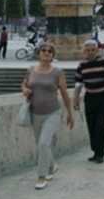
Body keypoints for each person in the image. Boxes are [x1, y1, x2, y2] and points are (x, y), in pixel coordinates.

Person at [21, 42, 74, 190]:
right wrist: (25, 90)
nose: (46, 53)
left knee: (44, 143)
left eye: (50, 51)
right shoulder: (31, 70)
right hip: (35, 112)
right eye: (43, 50)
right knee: (41, 145)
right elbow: (24, 84)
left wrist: (70, 113)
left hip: (52, 112)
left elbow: (64, 93)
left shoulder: (57, 72)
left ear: (53, 55)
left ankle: (41, 176)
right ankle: (52, 166)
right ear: (39, 53)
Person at [73, 40, 104, 164]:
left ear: (97, 50)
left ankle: (100, 154)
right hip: (89, 97)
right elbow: (78, 84)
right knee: (91, 126)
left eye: (92, 50)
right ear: (84, 52)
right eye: (87, 50)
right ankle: (95, 151)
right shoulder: (81, 65)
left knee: (99, 125)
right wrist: (76, 99)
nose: (90, 52)